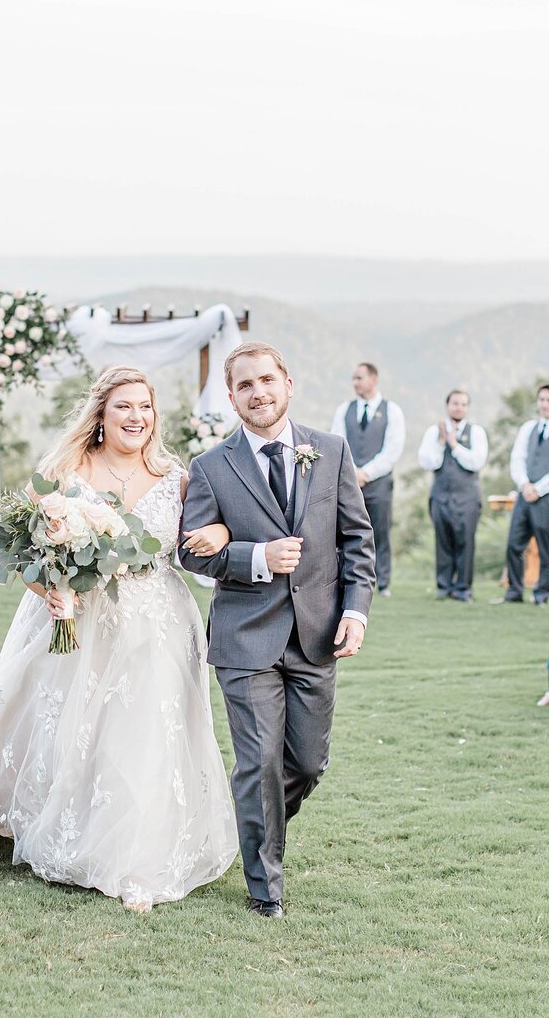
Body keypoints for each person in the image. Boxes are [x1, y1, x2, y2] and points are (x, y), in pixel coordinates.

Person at [0, 366, 239, 912]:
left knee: (145, 726)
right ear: (101, 412)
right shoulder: (66, 470)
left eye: (145, 407)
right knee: (68, 721)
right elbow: (19, 547)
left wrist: (219, 531)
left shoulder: (176, 477)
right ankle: (54, 819)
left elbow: (206, 535)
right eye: (124, 406)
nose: (136, 417)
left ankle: (135, 856)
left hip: (156, 618)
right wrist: (47, 592)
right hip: (77, 616)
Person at [179, 342, 375, 918]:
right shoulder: (211, 467)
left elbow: (357, 542)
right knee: (259, 761)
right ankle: (266, 888)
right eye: (244, 385)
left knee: (307, 764)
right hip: (245, 637)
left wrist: (356, 610)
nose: (258, 392)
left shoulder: (332, 451)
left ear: (288, 384)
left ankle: (247, 820)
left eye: (267, 380)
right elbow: (194, 556)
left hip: (318, 635)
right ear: (232, 397)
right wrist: (257, 556)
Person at [330, 362, 404, 597]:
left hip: (379, 483)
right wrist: (353, 472)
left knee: (380, 531)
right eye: (353, 378)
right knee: (346, 530)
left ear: (373, 379)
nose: (355, 383)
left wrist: (368, 473)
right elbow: (337, 441)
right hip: (349, 481)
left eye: (359, 378)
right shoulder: (345, 409)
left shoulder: (391, 410)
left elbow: (393, 449)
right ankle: (348, 577)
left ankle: (383, 583)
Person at [417, 390, 488, 601]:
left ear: (467, 408)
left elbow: (476, 462)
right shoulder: (433, 432)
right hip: (440, 495)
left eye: (463, 404)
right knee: (443, 540)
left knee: (465, 541)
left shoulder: (476, 432)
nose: (459, 407)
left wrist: (454, 445)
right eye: (455, 403)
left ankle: (463, 588)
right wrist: (441, 442)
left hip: (467, 497)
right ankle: (443, 586)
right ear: (447, 405)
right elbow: (427, 462)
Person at [502, 383, 549, 605]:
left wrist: (539, 489)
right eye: (542, 399)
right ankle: (514, 591)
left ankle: (542, 593)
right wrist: (524, 485)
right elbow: (517, 458)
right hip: (524, 494)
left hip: (546, 496)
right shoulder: (528, 428)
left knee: (546, 547)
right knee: (514, 544)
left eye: (548, 400)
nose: (545, 404)